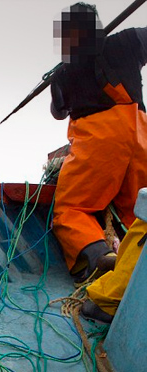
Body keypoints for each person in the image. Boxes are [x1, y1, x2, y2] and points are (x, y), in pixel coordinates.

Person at [49, 3, 147, 285]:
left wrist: (61, 75)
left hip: (100, 140)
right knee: (138, 211)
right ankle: (137, 266)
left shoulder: (63, 73)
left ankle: (99, 258)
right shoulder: (128, 41)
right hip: (141, 136)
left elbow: (58, 112)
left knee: (72, 209)